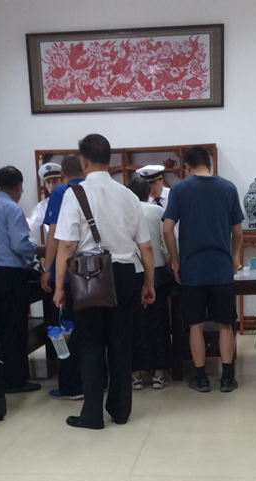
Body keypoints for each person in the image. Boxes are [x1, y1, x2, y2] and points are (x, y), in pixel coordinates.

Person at [52, 134, 155, 429]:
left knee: (91, 344)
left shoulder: (75, 194)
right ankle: (120, 411)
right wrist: (148, 283)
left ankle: (92, 415)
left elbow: (67, 245)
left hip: (89, 275)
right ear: (108, 160)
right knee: (121, 343)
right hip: (125, 273)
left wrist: (59, 287)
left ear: (83, 161)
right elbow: (146, 246)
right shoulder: (128, 195)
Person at [162, 146, 243, 393]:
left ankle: (201, 378)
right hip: (221, 268)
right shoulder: (228, 188)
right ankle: (227, 378)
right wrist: (233, 258)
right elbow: (238, 232)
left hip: (192, 270)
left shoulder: (179, 189)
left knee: (195, 324)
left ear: (186, 166)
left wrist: (176, 260)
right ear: (209, 163)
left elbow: (167, 229)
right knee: (225, 324)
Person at [0, 165, 40, 393]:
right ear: (19, 186)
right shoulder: (12, 208)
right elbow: (20, 244)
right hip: (10, 273)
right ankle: (15, 380)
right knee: (15, 327)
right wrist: (34, 249)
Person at [40, 154, 85, 401]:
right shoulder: (93, 190)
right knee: (91, 331)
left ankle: (71, 386)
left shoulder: (60, 192)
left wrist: (47, 268)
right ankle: (97, 381)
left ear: (63, 175)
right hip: (94, 275)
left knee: (67, 330)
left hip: (68, 276)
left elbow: (55, 235)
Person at [127, 176, 171, 390]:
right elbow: (165, 245)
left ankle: (134, 374)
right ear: (148, 193)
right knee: (159, 322)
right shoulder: (157, 211)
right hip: (158, 272)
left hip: (131, 273)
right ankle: (159, 372)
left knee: (132, 324)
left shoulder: (124, 213)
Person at [26, 162, 63, 233]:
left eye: (54, 181)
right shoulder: (43, 206)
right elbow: (30, 226)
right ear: (45, 185)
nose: (51, 185)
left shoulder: (71, 200)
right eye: (48, 182)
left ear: (62, 181)